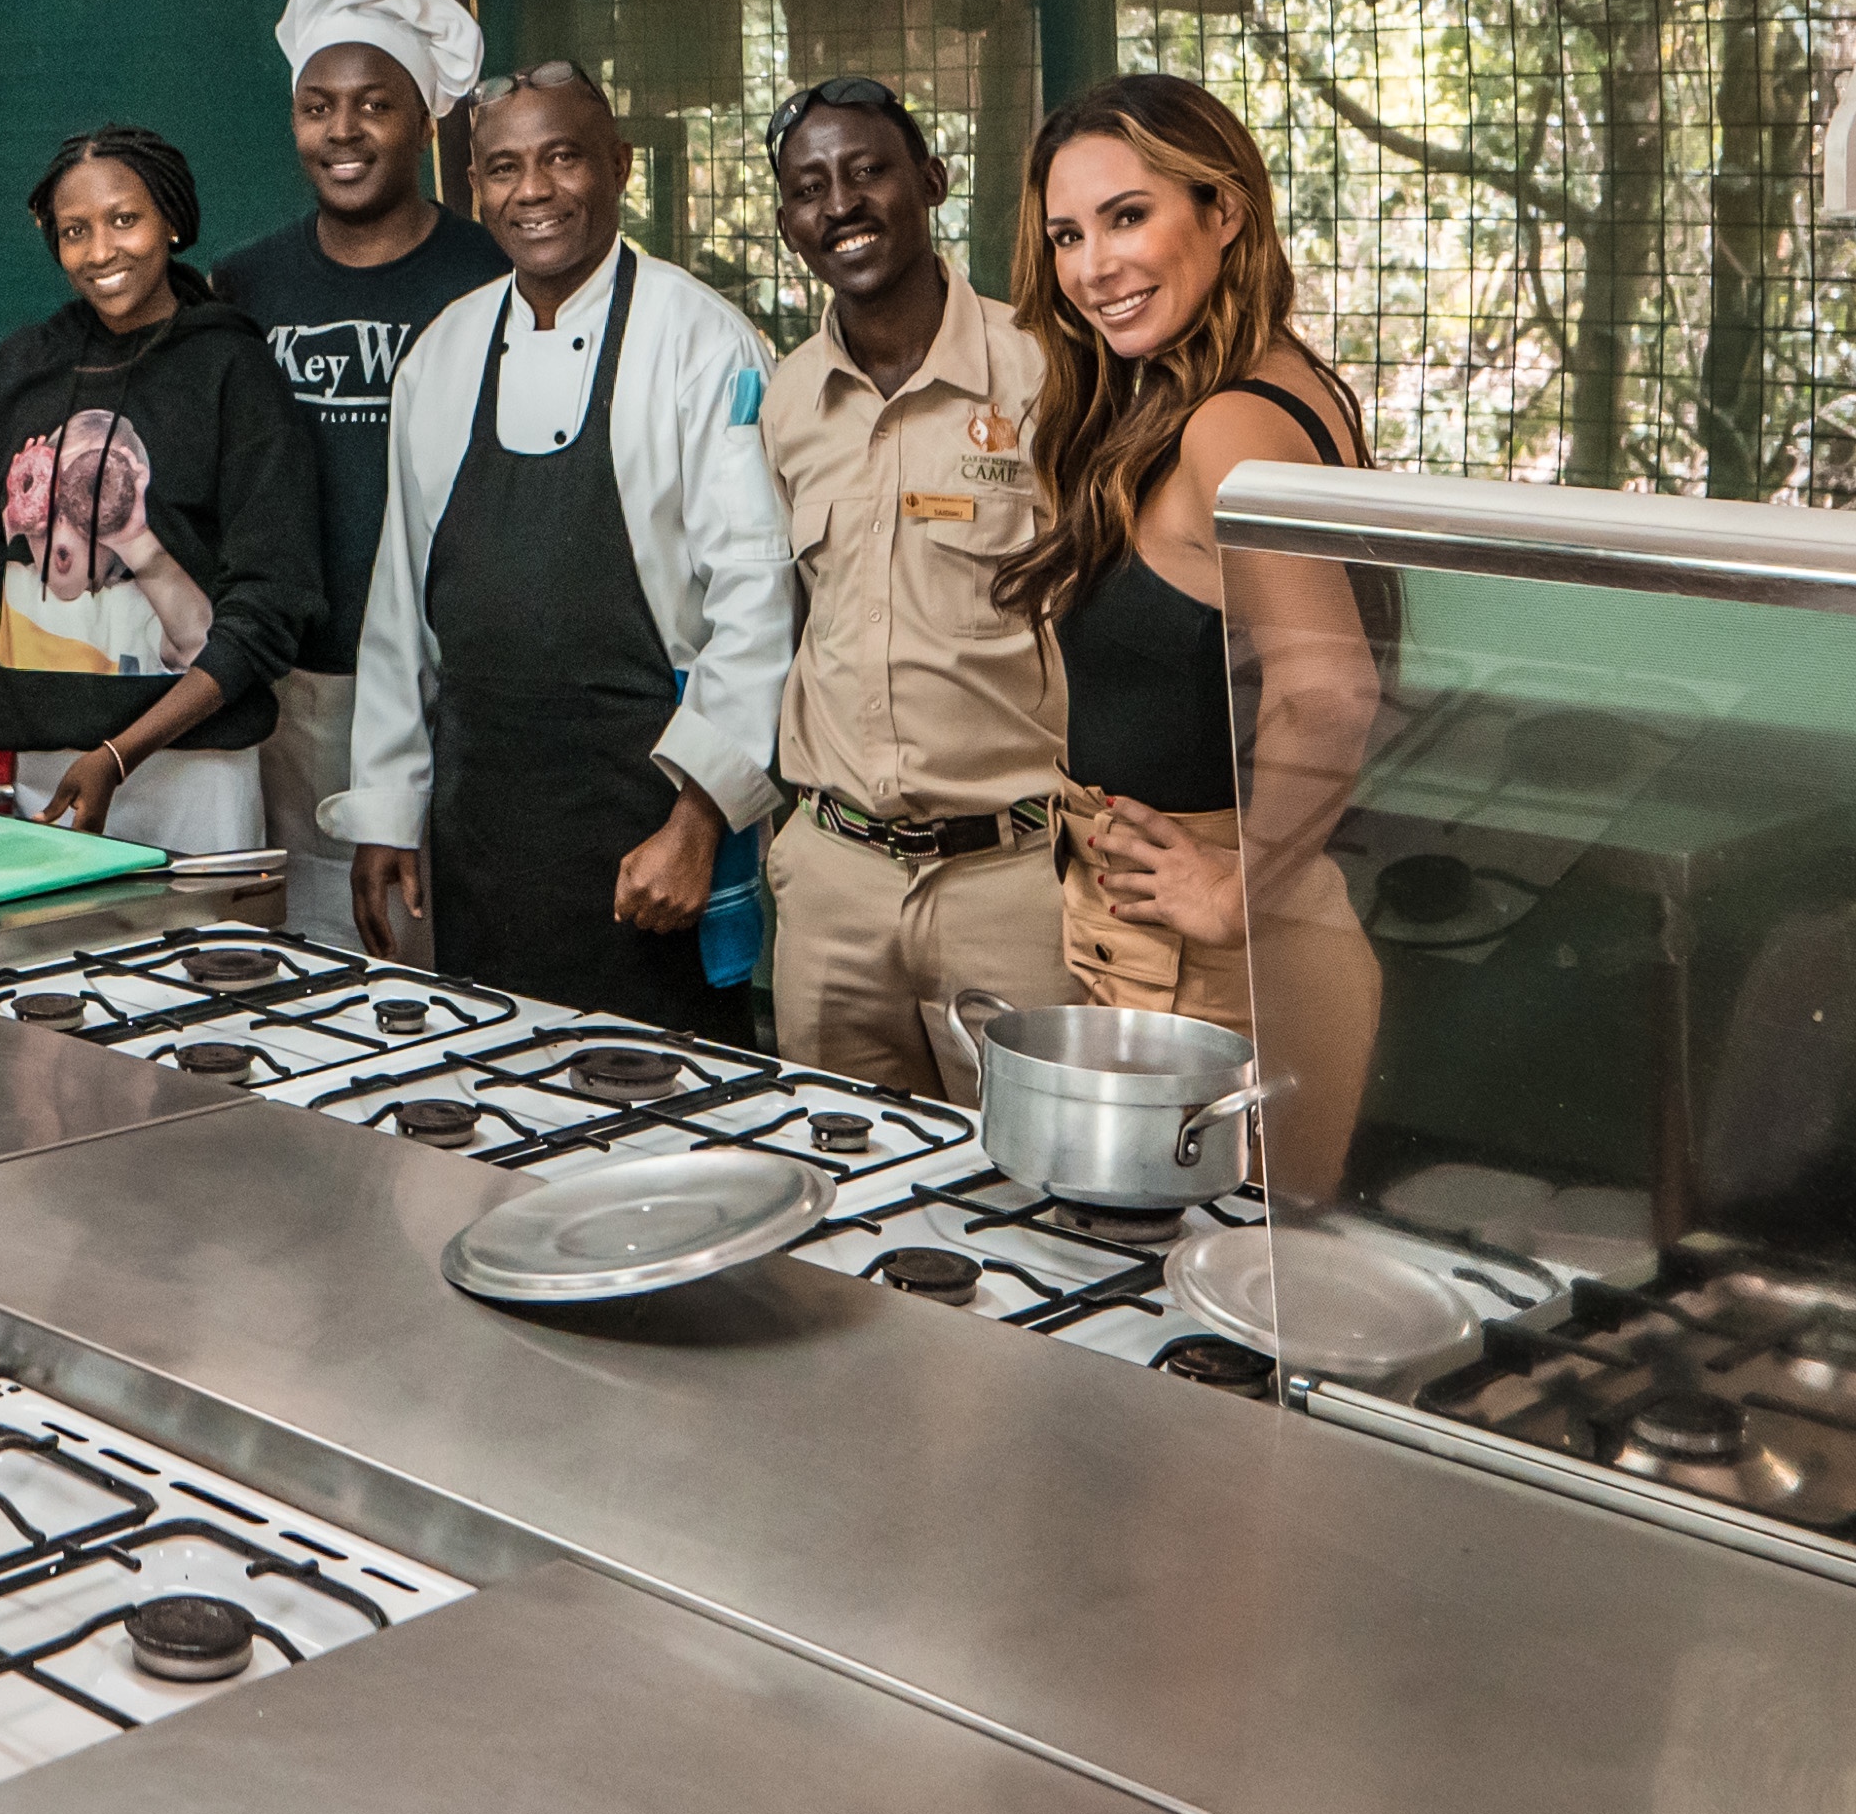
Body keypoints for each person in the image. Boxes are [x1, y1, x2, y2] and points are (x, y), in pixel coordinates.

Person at [336, 65, 793, 1035]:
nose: (533, 191)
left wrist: (697, 823)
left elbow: (757, 605)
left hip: (647, 819)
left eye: (562, 159)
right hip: (481, 823)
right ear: (474, 187)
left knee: (665, 1093)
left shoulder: (702, 343)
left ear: (619, 167)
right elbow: (399, 608)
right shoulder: (442, 354)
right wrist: (385, 809)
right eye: (504, 168)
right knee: (490, 1073)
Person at [1000, 72, 1381, 1195]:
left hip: (1210, 955)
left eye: (1128, 216)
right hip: (1168, 938)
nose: (1092, 268)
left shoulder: (1230, 425)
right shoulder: (1256, 388)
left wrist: (1232, 893)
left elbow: (1330, 693)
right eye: (1067, 236)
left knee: (1191, 1283)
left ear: (1223, 212)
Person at [0, 125, 320, 850]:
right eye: (74, 231)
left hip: (195, 776)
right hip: (47, 776)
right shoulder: (21, 370)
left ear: (171, 221)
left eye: (124, 219)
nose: (100, 252)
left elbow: (268, 606)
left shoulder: (232, 370)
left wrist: (119, 756)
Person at [758, 76, 1072, 1104]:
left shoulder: (1046, 374)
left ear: (931, 182)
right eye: (809, 188)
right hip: (834, 883)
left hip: (1013, 883)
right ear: (788, 225)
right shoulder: (788, 399)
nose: (840, 204)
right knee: (843, 1167)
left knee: (1035, 1177)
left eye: (867, 171)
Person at [214, 0, 507, 939]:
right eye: (317, 107)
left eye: (375, 105)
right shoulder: (243, 285)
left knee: (446, 950)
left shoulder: (492, 278)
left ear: (424, 123)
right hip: (288, 688)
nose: (342, 131)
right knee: (308, 946)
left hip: (458, 687)